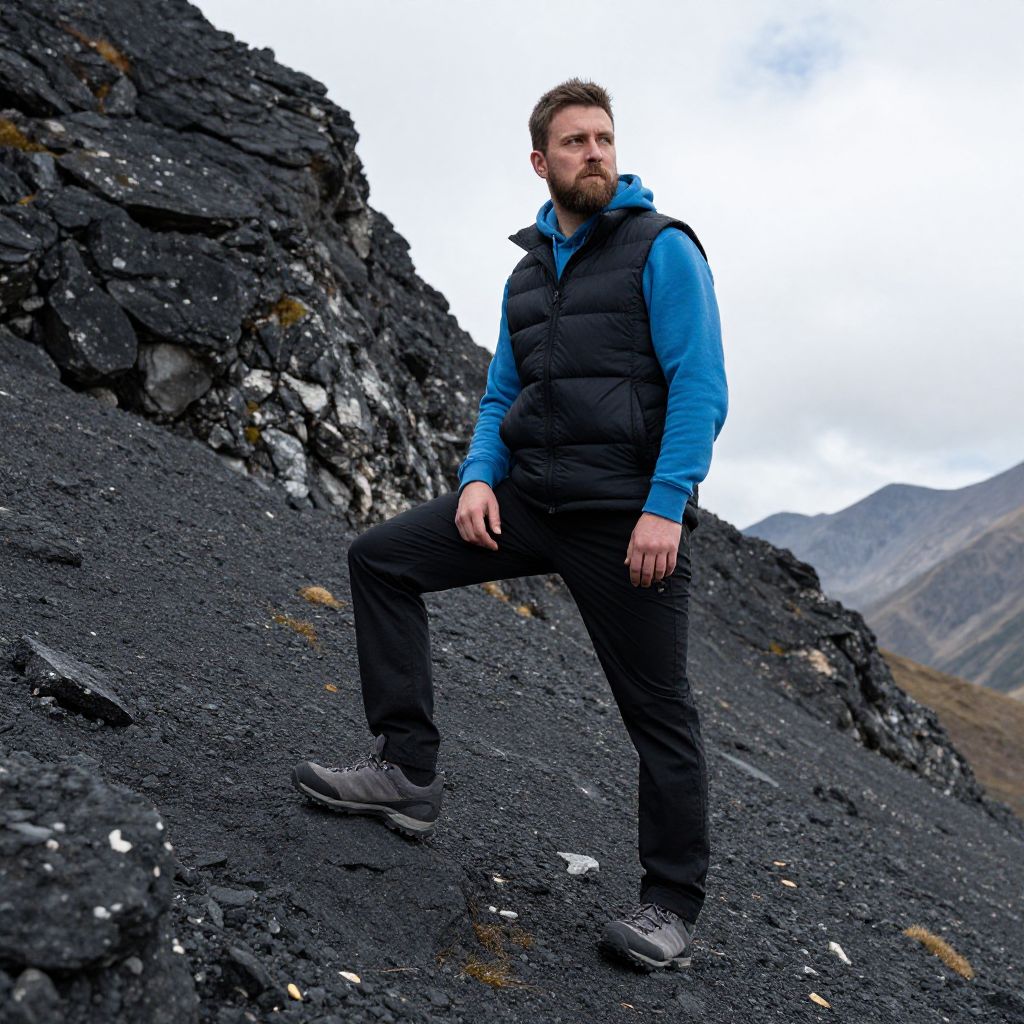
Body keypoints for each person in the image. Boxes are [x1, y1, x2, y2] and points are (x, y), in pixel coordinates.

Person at [292, 78, 728, 972]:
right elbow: (502, 394)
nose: (596, 153)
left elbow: (701, 387)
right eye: (575, 142)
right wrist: (478, 478)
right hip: (531, 500)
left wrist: (665, 505)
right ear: (541, 160)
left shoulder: (663, 249)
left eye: (605, 138)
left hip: (625, 519)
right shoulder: (528, 274)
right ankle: (407, 773)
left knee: (659, 714)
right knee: (381, 559)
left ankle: (670, 905)